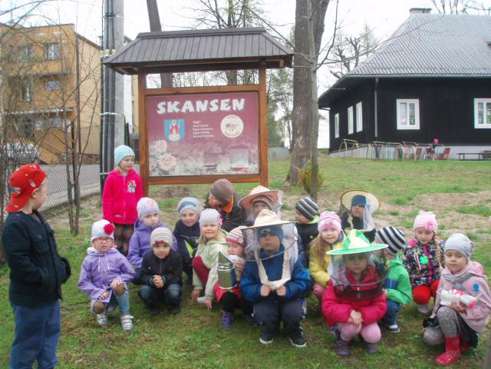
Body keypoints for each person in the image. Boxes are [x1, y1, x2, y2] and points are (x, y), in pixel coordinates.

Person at [2, 164, 71, 369]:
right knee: (27, 346)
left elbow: (47, 251)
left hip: (49, 297)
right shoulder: (15, 224)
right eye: (45, 189)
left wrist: (61, 267)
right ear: (34, 193)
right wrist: (45, 277)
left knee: (49, 343)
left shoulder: (36, 216)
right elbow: (19, 262)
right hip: (31, 302)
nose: (46, 194)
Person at [241, 210, 311, 347]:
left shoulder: (292, 256)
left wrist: (289, 289)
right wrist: (258, 290)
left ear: (280, 235)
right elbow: (246, 285)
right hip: (265, 299)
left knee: (293, 313)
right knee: (263, 313)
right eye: (263, 234)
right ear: (257, 239)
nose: (268, 238)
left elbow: (305, 281)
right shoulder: (253, 260)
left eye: (272, 233)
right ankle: (269, 328)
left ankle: (294, 330)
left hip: (290, 298)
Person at [423, 233, 491, 366]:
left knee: (445, 312)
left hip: (469, 323)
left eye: (458, 256)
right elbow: (439, 296)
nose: (453, 259)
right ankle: (454, 338)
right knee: (429, 338)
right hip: (449, 318)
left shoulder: (475, 280)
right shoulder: (445, 274)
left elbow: (486, 306)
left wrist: (464, 311)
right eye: (449, 255)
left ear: (466, 258)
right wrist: (433, 317)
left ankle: (455, 349)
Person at [322, 230, 388, 356]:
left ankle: (365, 338)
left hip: (365, 317)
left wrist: (364, 315)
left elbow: (380, 305)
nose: (356, 262)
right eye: (351, 258)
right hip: (346, 319)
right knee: (352, 327)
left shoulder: (374, 278)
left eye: (361, 257)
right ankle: (342, 340)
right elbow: (328, 305)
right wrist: (349, 313)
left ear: (367, 259)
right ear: (344, 260)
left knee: (374, 335)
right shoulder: (338, 279)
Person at [78, 219, 136, 331]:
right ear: (93, 242)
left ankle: (125, 315)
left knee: (119, 286)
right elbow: (83, 282)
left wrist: (119, 279)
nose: (103, 242)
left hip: (116, 291)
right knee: (98, 306)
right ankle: (101, 313)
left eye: (107, 239)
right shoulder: (88, 260)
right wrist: (98, 293)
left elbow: (130, 272)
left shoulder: (117, 256)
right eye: (99, 239)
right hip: (100, 293)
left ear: (112, 242)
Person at [102, 144, 143, 255]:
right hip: (116, 219)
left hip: (131, 217)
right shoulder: (111, 178)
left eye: (132, 160)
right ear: (118, 161)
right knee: (116, 241)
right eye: (126, 160)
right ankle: (115, 260)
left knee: (129, 241)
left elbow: (139, 197)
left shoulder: (136, 177)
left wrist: (140, 214)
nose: (130, 162)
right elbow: (107, 200)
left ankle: (128, 262)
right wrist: (108, 219)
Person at [404, 211, 442, 315]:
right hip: (419, 281)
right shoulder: (410, 248)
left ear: (433, 233)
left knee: (440, 288)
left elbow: (445, 260)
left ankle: (438, 304)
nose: (423, 236)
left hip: (435, 278)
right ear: (415, 232)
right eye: (420, 232)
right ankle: (422, 304)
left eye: (427, 233)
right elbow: (407, 266)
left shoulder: (438, 245)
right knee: (420, 295)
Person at [138, 227, 183, 314]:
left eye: (165, 246)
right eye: (157, 246)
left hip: (170, 284)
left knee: (174, 291)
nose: (161, 250)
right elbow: (143, 275)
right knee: (144, 290)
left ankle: (173, 304)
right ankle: (153, 305)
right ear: (152, 246)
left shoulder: (176, 257)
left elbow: (177, 275)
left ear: (170, 246)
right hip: (153, 286)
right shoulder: (147, 256)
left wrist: (164, 279)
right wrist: (152, 280)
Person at [375, 226, 412, 333]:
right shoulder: (373, 262)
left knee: (389, 306)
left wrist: (388, 293)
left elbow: (406, 297)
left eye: (376, 242)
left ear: (386, 250)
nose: (373, 244)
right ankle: (374, 319)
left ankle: (389, 320)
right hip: (373, 297)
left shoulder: (401, 272)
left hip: (388, 299)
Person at [213, 226, 251, 329]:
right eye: (229, 246)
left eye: (235, 246)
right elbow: (217, 274)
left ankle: (248, 313)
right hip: (229, 287)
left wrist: (245, 269)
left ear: (245, 247)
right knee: (228, 296)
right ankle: (227, 313)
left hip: (244, 286)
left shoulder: (250, 260)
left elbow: (254, 275)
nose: (230, 249)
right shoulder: (226, 256)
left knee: (248, 295)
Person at [128, 197, 176, 273]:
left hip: (165, 265)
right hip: (146, 267)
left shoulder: (166, 230)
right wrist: (147, 263)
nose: (153, 218)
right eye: (148, 216)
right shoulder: (137, 235)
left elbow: (173, 247)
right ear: (141, 218)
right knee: (136, 276)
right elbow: (132, 256)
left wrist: (166, 262)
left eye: (155, 215)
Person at [191, 208, 228, 307]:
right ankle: (208, 290)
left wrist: (208, 295)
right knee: (196, 261)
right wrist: (197, 287)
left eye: (212, 225)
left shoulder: (219, 248)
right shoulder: (203, 241)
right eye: (205, 225)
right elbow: (197, 263)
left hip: (222, 277)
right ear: (200, 227)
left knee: (218, 284)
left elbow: (216, 273)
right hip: (210, 270)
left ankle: (214, 295)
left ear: (219, 226)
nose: (209, 228)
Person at [309, 211, 343, 301]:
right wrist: (328, 280)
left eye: (333, 230)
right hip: (326, 280)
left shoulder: (346, 244)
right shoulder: (316, 246)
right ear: (320, 231)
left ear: (339, 230)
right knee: (319, 290)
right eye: (325, 230)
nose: (329, 233)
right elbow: (315, 268)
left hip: (343, 279)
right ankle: (326, 305)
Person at [173, 197, 202, 284]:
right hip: (186, 255)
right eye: (184, 215)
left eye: (191, 214)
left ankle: (201, 277)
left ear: (197, 215)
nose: (188, 218)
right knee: (178, 257)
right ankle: (184, 277)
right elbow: (176, 239)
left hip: (200, 253)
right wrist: (184, 253)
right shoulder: (179, 225)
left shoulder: (201, 225)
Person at [295, 196, 320, 266]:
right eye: (296, 213)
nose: (296, 216)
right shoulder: (296, 225)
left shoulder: (316, 228)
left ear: (308, 215)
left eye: (299, 214)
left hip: (312, 257)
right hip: (299, 254)